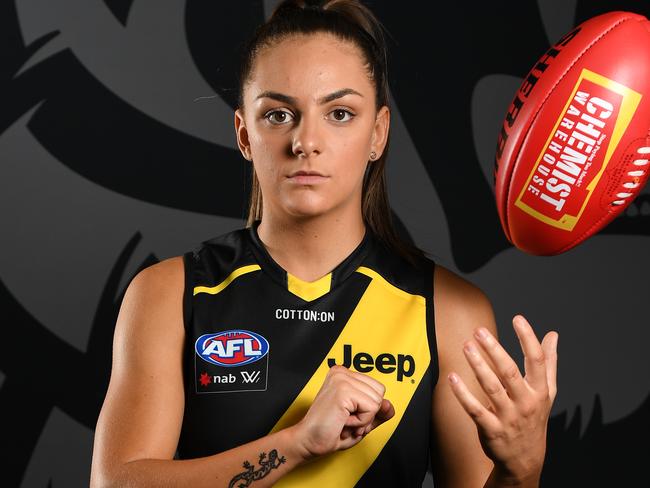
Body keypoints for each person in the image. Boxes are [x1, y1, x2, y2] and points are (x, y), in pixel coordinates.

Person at [90, 1, 559, 486]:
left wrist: (519, 470)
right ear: (244, 134)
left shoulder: (448, 310)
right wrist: (297, 444)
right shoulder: (170, 293)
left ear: (377, 133)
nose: (305, 141)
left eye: (339, 113)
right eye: (277, 114)